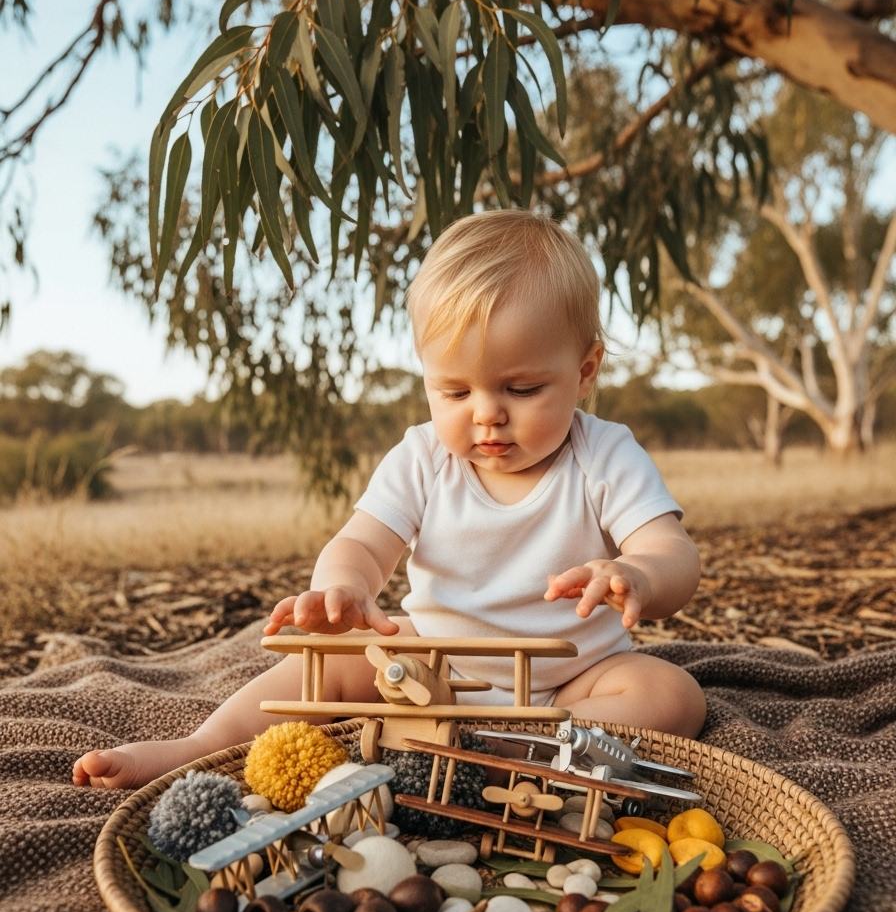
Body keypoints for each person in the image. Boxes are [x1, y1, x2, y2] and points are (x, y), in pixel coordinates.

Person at [73, 210, 705, 790]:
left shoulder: (605, 455)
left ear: (585, 371)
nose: (487, 414)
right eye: (455, 392)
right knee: (326, 662)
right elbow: (362, 542)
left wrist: (637, 574)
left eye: (521, 387)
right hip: (429, 666)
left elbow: (670, 550)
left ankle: (519, 749)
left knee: (671, 695)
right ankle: (202, 745)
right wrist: (342, 589)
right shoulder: (423, 457)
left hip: (570, 678)